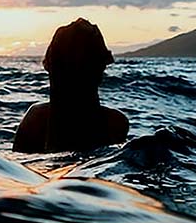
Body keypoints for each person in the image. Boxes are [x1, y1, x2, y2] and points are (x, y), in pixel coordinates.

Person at [13, 18, 129, 153]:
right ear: (100, 68)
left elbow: (14, 169)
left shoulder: (35, 119)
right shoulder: (115, 123)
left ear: (51, 66)